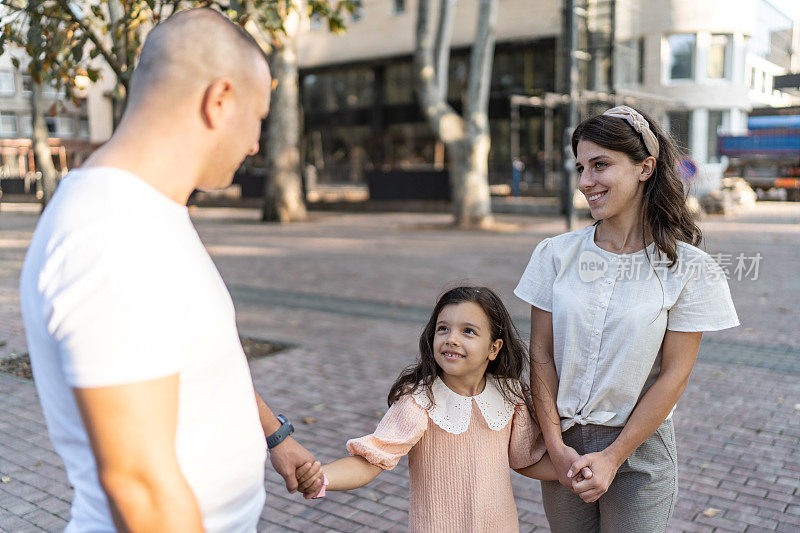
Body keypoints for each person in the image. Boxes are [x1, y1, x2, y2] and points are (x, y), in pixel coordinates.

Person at [18, 9, 322, 532]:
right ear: (219, 99)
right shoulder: (109, 233)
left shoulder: (146, 213)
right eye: (257, 117)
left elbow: (194, 355)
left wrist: (272, 433)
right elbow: (141, 487)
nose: (255, 143)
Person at [515, 105, 739, 532]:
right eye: (580, 167)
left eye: (601, 165)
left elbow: (674, 376)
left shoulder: (689, 268)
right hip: (564, 446)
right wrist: (557, 447)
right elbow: (541, 355)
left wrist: (614, 456)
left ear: (645, 168)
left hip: (639, 452)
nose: (585, 182)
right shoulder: (554, 255)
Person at [295, 286, 590, 533]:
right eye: (443, 328)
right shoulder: (420, 401)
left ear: (494, 348)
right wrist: (322, 477)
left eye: (469, 331)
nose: (452, 338)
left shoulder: (509, 397)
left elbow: (524, 459)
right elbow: (371, 460)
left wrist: (576, 472)